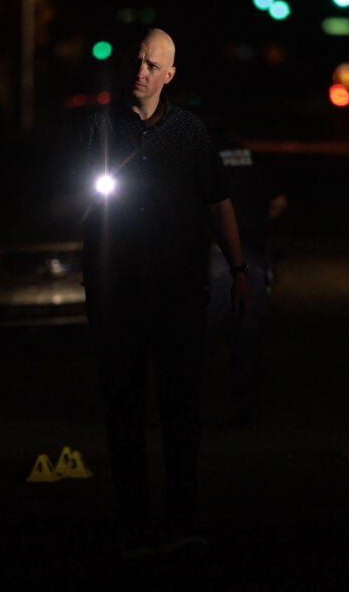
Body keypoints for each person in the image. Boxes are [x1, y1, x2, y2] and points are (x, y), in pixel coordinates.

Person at [79, 27, 252, 560]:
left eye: (152, 65)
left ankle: (181, 514)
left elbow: (218, 202)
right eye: (136, 62)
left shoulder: (189, 132)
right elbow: (75, 198)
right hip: (119, 294)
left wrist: (239, 269)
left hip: (178, 294)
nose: (141, 72)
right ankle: (135, 519)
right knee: (123, 409)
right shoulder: (100, 128)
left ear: (169, 75)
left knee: (181, 408)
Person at [204, 122, 287, 429]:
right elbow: (279, 201)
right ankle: (246, 411)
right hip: (252, 252)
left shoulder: (204, 156)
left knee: (203, 334)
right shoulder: (253, 156)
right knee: (248, 335)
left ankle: (190, 405)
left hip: (216, 254)